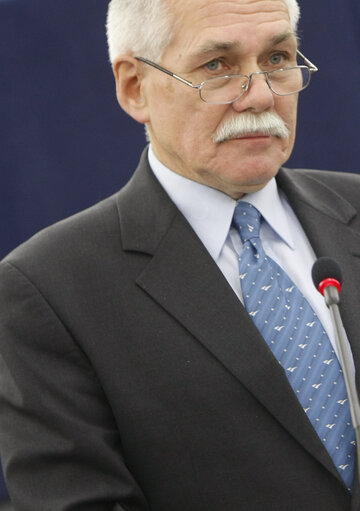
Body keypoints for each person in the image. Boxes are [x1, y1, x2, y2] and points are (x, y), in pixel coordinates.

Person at [1, 0, 360, 509]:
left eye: (278, 58)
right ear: (134, 86)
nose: (259, 94)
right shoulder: (49, 291)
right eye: (217, 66)